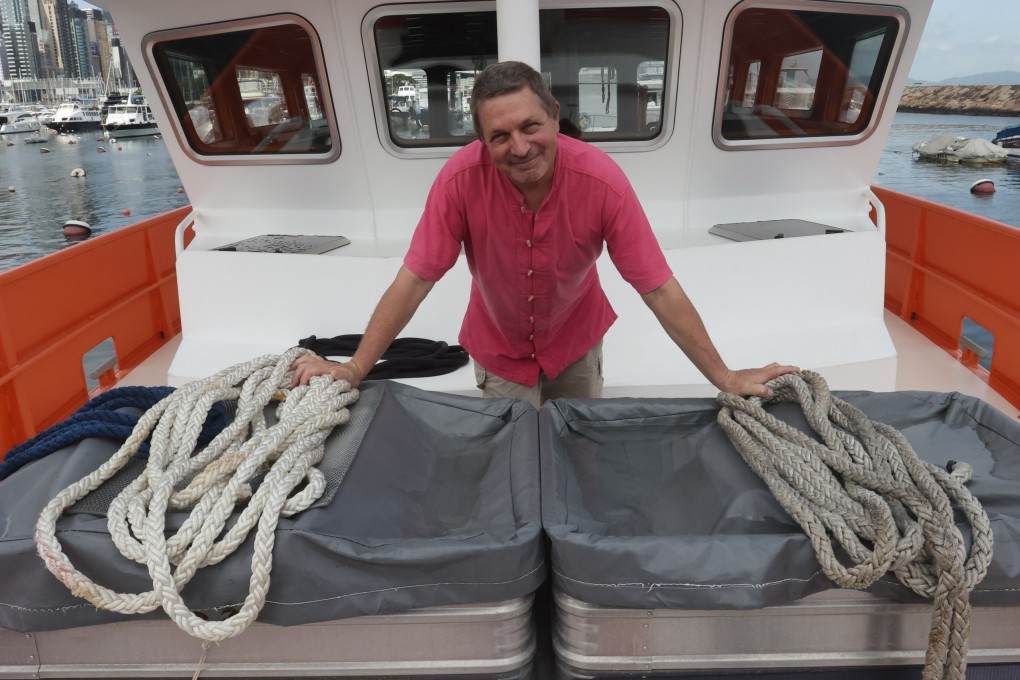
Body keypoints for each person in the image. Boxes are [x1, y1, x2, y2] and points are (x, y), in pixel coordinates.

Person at [291, 61, 797, 405]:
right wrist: (356, 368)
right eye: (500, 136)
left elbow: (657, 287)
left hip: (577, 345)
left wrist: (725, 378)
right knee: (513, 468)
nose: (519, 146)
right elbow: (416, 279)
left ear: (555, 117)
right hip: (498, 353)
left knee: (576, 458)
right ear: (482, 141)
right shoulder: (458, 181)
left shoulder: (603, 182)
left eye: (530, 126)